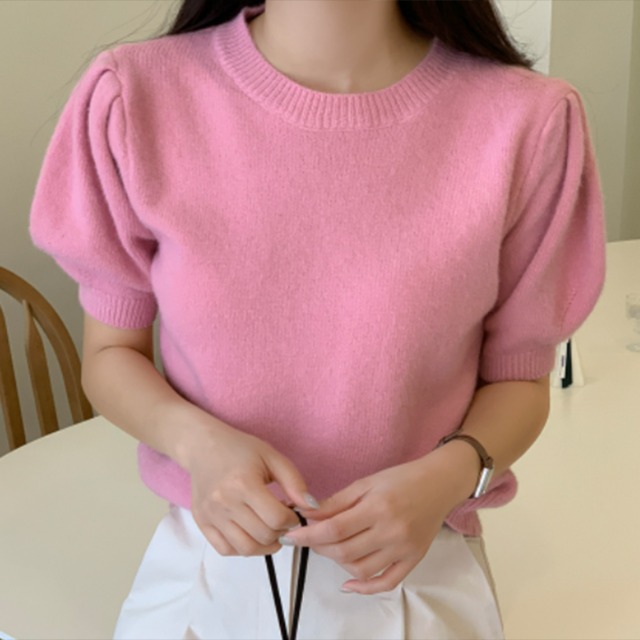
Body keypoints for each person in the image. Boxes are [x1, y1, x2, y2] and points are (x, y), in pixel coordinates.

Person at [29, 0, 606, 638]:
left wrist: (447, 477)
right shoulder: (135, 97)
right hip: (210, 567)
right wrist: (198, 445)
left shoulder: (527, 121)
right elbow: (111, 354)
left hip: (418, 568)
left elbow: (519, 378)